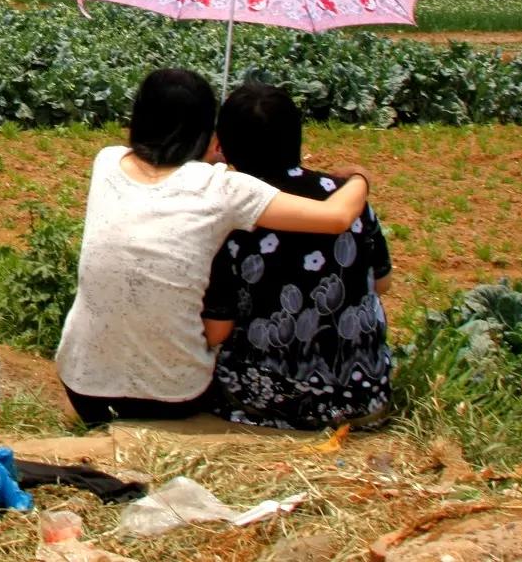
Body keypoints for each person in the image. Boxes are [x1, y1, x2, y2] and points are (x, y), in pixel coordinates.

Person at [53, 68, 373, 425]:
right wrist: (359, 177)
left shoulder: (108, 161)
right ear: (207, 128)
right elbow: (335, 217)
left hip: (83, 388)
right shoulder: (224, 188)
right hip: (172, 397)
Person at [201, 83, 392, 430]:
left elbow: (218, 329)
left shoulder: (230, 217)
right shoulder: (347, 200)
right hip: (364, 395)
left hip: (267, 400)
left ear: (224, 148)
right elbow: (383, 283)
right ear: (297, 138)